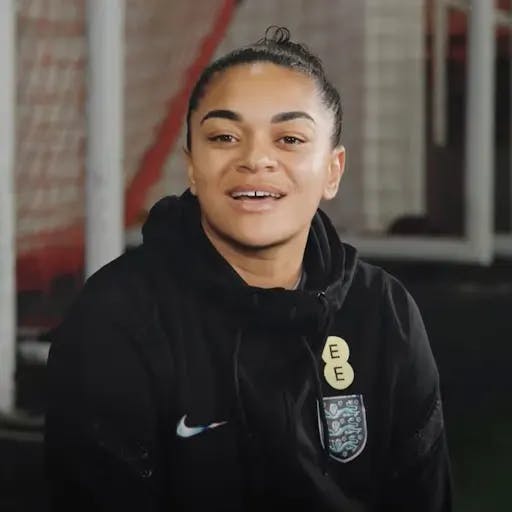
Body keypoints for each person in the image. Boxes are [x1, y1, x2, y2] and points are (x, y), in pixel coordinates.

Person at [45, 27, 452, 511]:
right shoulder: (115, 322)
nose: (256, 159)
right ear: (192, 166)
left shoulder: (384, 313)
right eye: (224, 136)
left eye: (290, 138)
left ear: (332, 171)